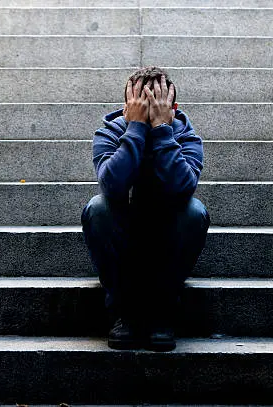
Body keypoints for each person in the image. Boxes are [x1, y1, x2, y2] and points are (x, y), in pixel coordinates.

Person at [81, 66, 210, 352]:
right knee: (97, 208)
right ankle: (123, 311)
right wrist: (136, 128)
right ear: (127, 106)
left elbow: (183, 188)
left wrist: (163, 131)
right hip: (124, 241)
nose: (150, 113)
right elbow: (112, 186)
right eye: (141, 106)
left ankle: (163, 311)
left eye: (157, 107)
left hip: (166, 241)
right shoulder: (110, 132)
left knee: (195, 211)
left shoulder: (186, 136)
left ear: (172, 108)